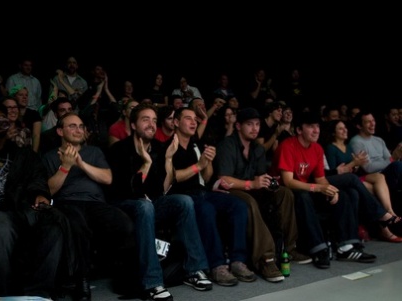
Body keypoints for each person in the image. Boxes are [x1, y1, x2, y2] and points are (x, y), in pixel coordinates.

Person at [0, 104, 69, 299]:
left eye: (3, 119)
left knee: (54, 220)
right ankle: (0, 294)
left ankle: (38, 294)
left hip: (18, 210)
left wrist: (40, 194)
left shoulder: (24, 154)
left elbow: (37, 178)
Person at [108, 102, 212, 301]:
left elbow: (162, 190)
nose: (151, 124)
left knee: (184, 201)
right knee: (145, 206)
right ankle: (153, 282)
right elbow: (131, 191)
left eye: (154, 120)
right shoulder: (119, 150)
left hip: (150, 203)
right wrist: (146, 163)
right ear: (133, 125)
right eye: (145, 119)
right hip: (124, 205)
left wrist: (168, 160)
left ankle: (194, 269)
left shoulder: (158, 147)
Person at [42, 112, 134, 301]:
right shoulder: (50, 157)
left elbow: (107, 178)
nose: (78, 130)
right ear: (60, 131)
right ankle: (81, 281)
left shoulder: (94, 152)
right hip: (66, 203)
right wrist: (65, 167)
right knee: (77, 223)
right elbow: (48, 191)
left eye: (81, 126)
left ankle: (125, 280)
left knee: (124, 223)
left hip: (94, 202)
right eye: (72, 126)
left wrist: (81, 164)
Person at [214, 107, 311, 283]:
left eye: (257, 124)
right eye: (249, 124)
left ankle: (289, 249)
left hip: (252, 188)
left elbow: (259, 177)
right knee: (249, 202)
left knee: (284, 193)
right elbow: (223, 179)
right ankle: (266, 259)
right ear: (238, 126)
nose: (254, 128)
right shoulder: (227, 145)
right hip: (229, 191)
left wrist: (268, 182)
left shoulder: (257, 148)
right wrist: (252, 184)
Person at [271, 111, 377, 269]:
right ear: (299, 130)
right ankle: (319, 249)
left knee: (344, 195)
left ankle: (346, 247)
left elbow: (320, 178)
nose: (316, 130)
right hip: (286, 192)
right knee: (303, 196)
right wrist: (319, 187)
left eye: (317, 127)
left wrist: (329, 190)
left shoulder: (317, 148)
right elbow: (288, 181)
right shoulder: (288, 145)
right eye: (310, 127)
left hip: (307, 187)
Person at [168, 107, 255, 286]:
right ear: (176, 122)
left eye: (195, 119)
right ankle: (217, 265)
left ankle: (237, 260)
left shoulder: (195, 144)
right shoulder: (168, 146)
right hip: (181, 197)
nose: (194, 122)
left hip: (202, 191)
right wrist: (199, 165)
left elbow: (206, 177)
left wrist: (207, 162)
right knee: (206, 209)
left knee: (238, 205)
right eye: (188, 118)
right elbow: (172, 178)